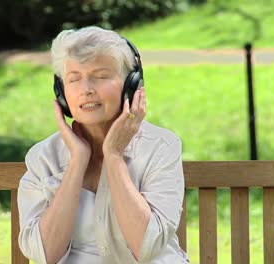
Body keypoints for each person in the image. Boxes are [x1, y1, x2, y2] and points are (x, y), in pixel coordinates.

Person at [17, 26, 189, 264]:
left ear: (132, 85)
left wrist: (114, 155)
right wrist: (77, 160)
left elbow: (147, 247)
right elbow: (44, 254)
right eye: (74, 78)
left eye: (100, 76)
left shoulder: (161, 147)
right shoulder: (43, 157)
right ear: (61, 92)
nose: (86, 89)